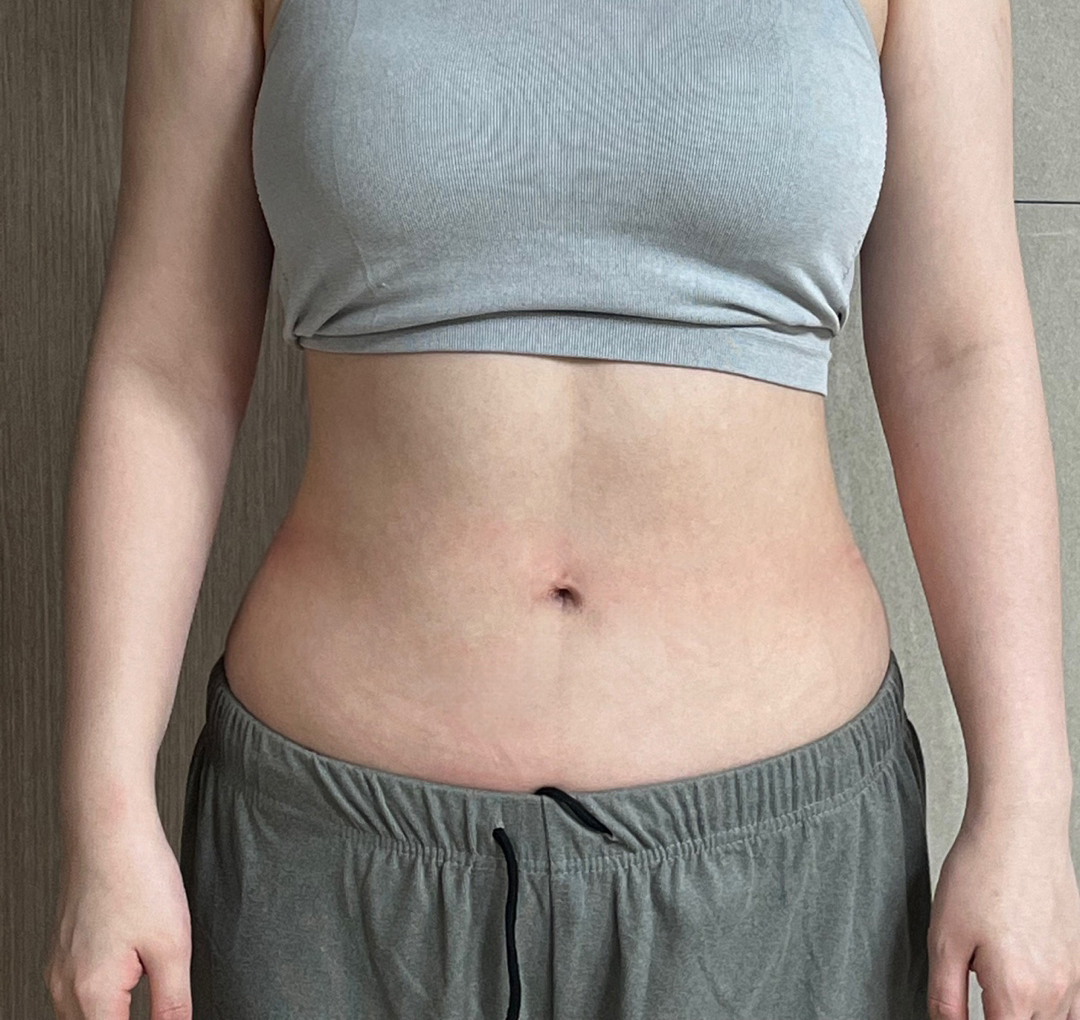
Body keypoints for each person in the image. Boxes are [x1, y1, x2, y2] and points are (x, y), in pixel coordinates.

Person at [44, 0, 1080, 1015]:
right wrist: (105, 809)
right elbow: (166, 364)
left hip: (776, 886)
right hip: (330, 873)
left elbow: (961, 354)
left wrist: (1029, 805)